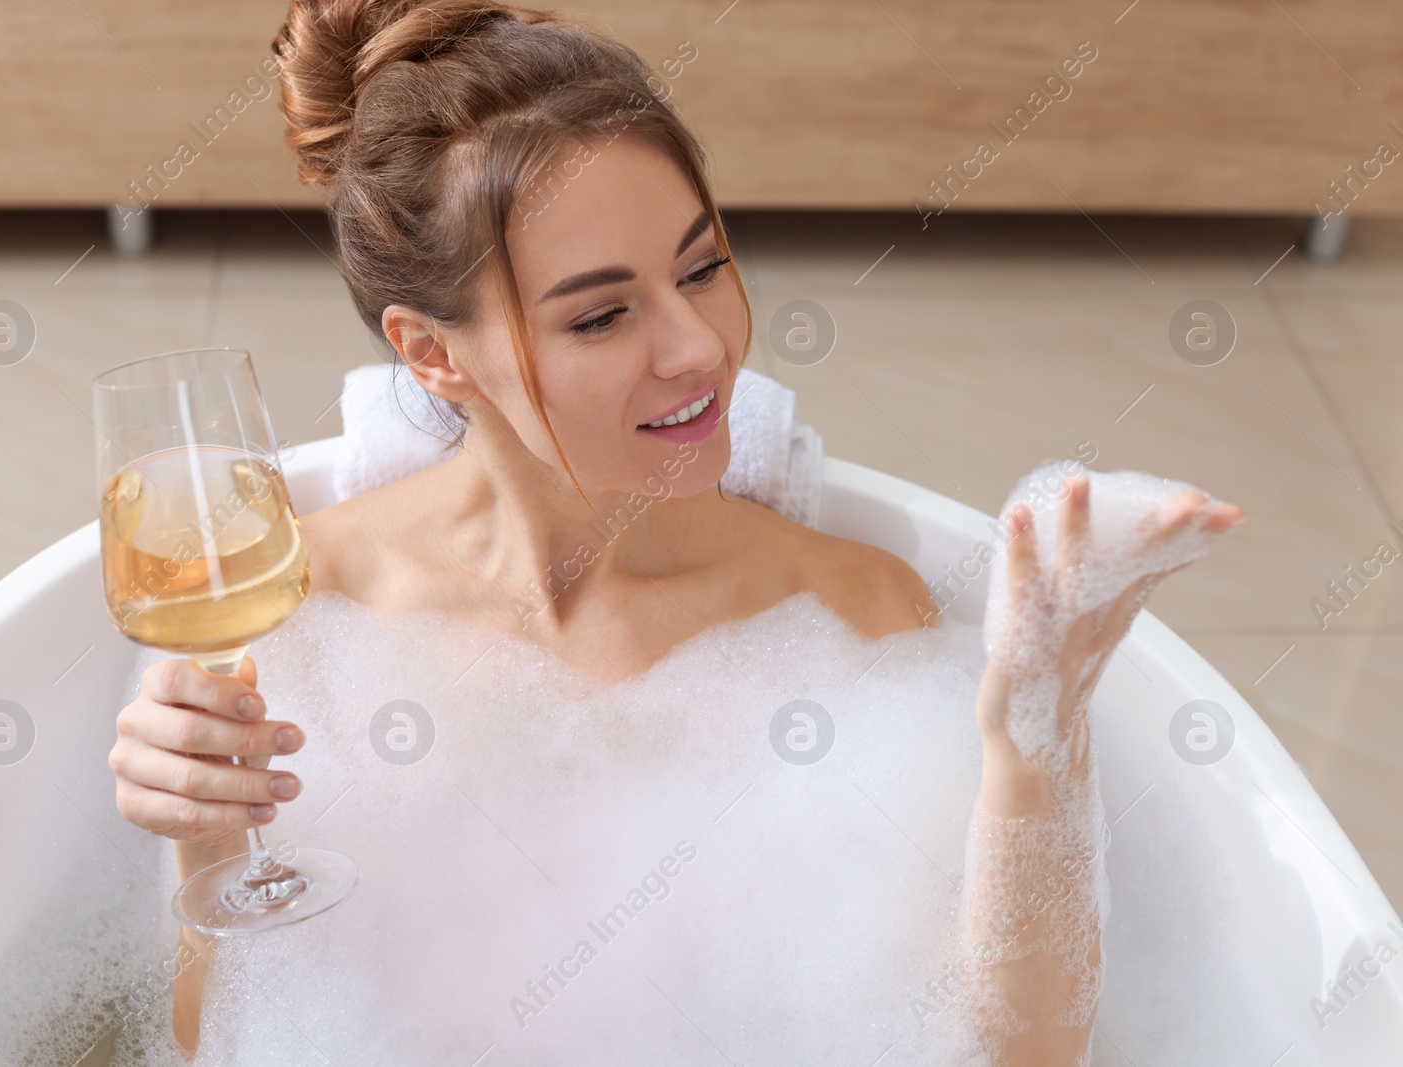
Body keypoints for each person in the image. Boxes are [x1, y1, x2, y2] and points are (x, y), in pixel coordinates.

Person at [106, 2, 1245, 1061]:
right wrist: (204, 843)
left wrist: (1031, 731)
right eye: (602, 313)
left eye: (703, 266)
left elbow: (1015, 1049)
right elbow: (223, 1043)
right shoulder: (294, 623)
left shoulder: (848, 617)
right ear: (432, 354)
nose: (698, 346)